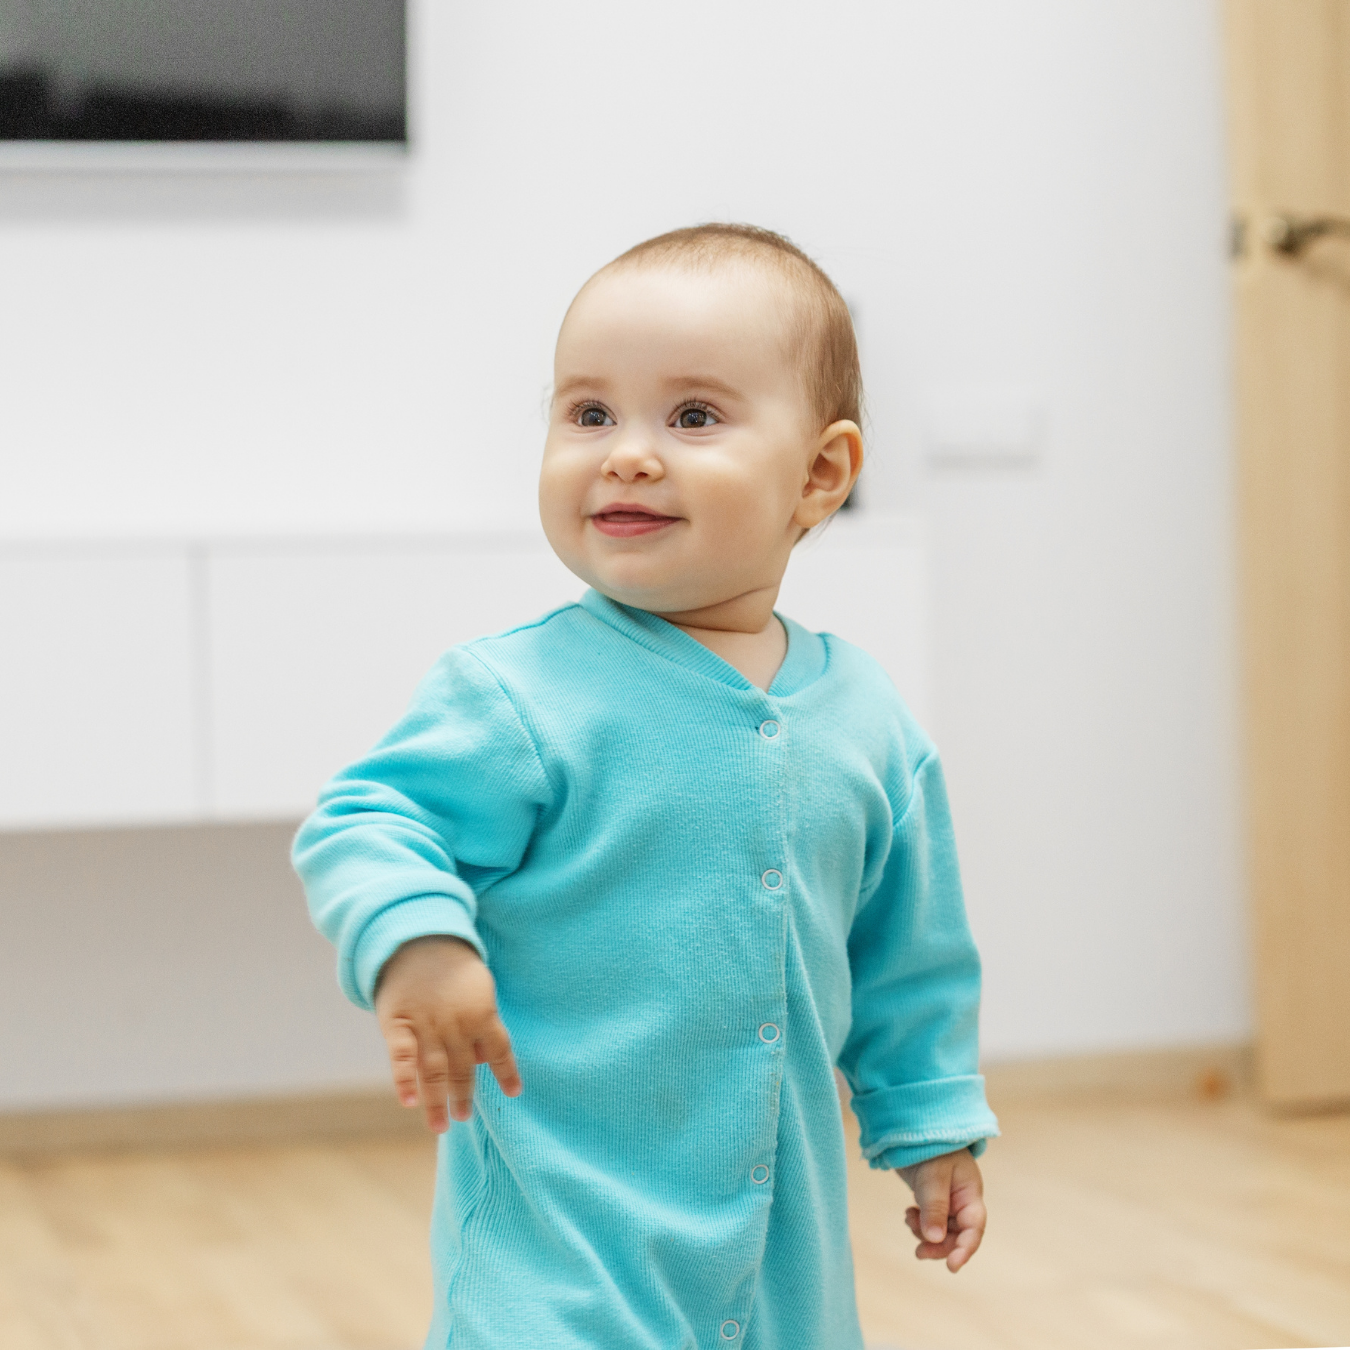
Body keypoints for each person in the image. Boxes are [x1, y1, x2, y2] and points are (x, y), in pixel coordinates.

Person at [293, 223, 999, 1350]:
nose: (625, 453)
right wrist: (421, 943)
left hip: (783, 1272)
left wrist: (932, 1127)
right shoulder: (517, 695)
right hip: (560, 1269)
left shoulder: (871, 725)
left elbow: (908, 958)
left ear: (820, 475)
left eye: (693, 417)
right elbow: (370, 819)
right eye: (587, 415)